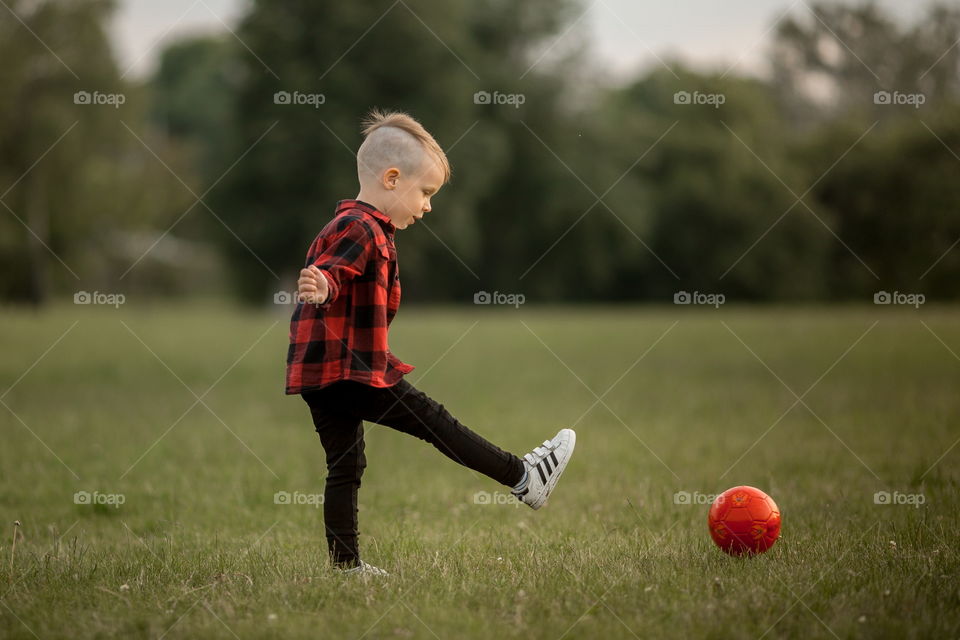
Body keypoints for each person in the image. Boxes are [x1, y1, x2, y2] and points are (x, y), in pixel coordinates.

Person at [287, 109, 576, 576]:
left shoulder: (360, 225)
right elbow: (334, 270)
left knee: (345, 464)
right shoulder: (358, 228)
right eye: (425, 193)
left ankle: (345, 566)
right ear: (392, 179)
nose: (427, 206)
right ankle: (523, 477)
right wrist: (325, 285)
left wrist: (327, 283)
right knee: (433, 420)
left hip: (322, 371)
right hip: (348, 367)